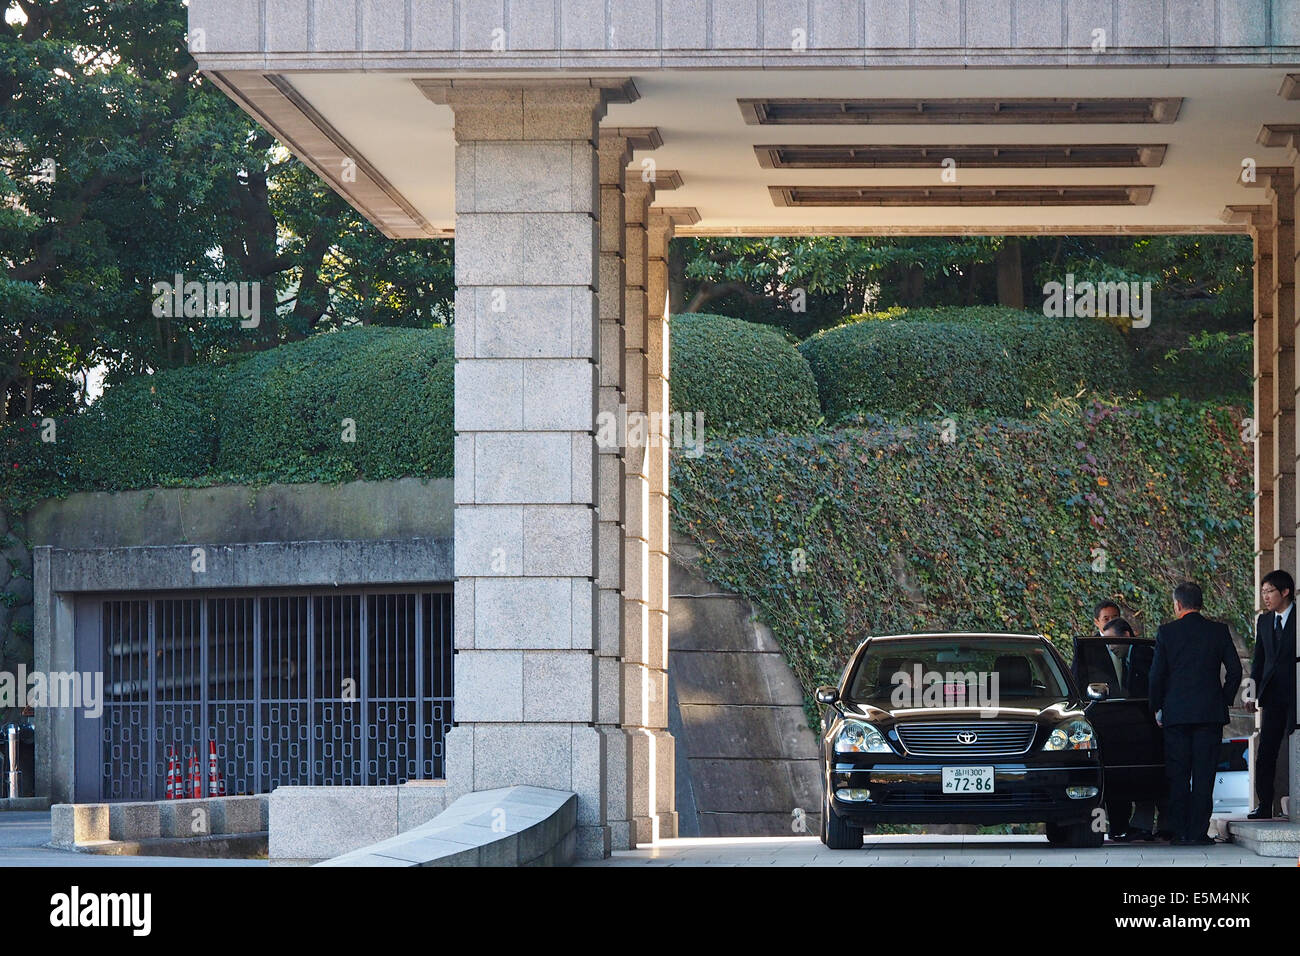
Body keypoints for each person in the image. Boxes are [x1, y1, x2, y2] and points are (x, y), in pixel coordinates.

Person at [1149, 582, 1242, 846]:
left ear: (1177, 605)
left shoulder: (1166, 632)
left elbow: (1156, 675)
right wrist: (1222, 699)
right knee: (1204, 775)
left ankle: (1179, 832)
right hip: (1209, 715)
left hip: (1176, 715)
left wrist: (1157, 707)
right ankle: (1199, 833)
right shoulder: (1218, 631)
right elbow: (1235, 670)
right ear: (1200, 603)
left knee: (1178, 775)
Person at [1099, 618, 1165, 842]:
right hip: (1125, 728)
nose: (1110, 647)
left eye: (1113, 641)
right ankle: (1130, 826)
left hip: (1150, 727)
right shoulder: (1121, 660)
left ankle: (1154, 826)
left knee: (1152, 778)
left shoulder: (1145, 655)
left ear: (1126, 636)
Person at [1247, 569, 1298, 819]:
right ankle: (1264, 803)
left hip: (1297, 694)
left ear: (1285, 591)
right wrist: (1250, 692)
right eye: (1263, 592)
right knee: (1266, 750)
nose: (1265, 597)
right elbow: (1259, 660)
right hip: (1272, 695)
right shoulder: (1264, 621)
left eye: (1269, 592)